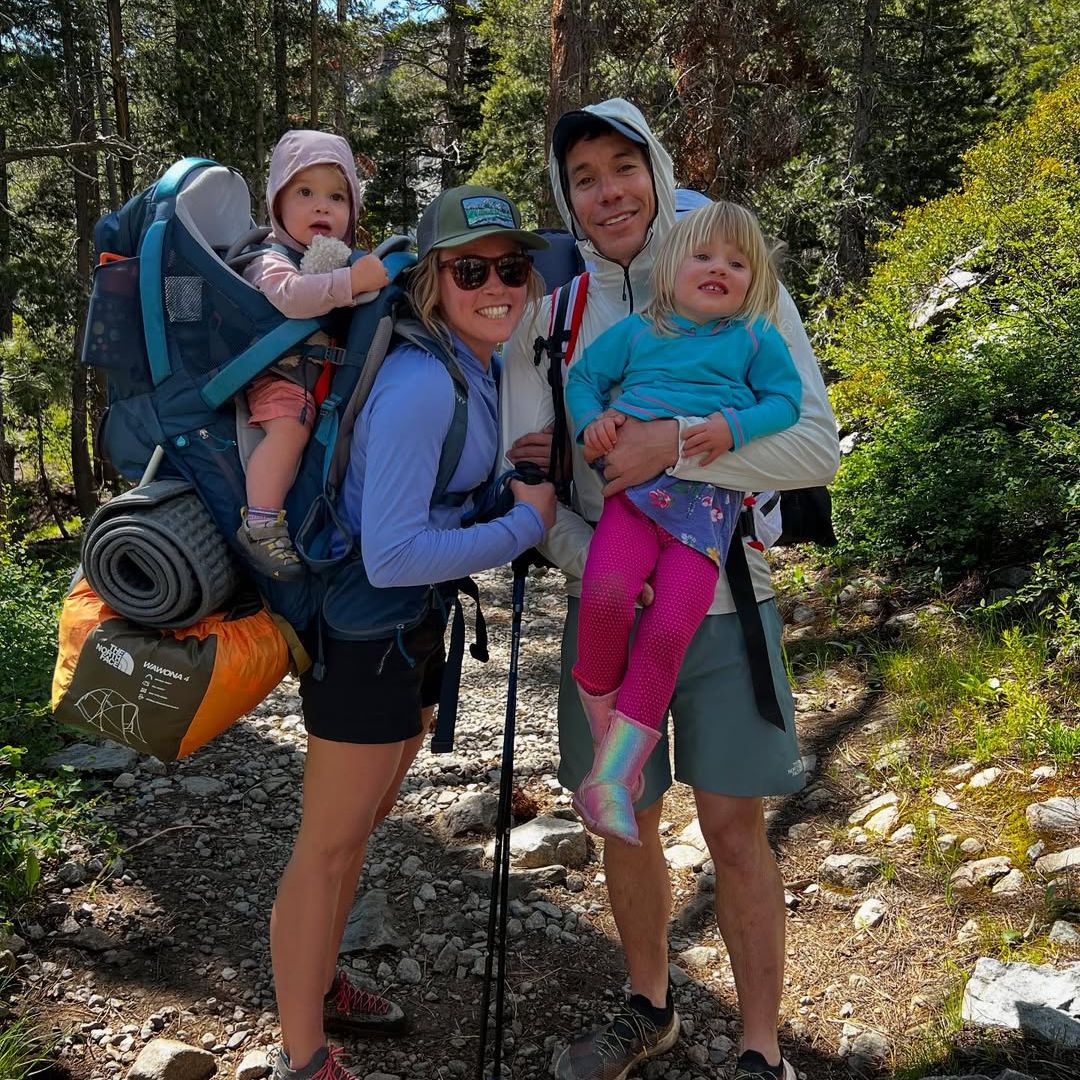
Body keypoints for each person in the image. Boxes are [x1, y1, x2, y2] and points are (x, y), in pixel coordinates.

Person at [500, 99, 840, 1080]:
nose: (609, 192)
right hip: (609, 597)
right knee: (626, 816)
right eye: (585, 179)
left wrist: (672, 447)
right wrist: (592, 557)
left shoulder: (733, 271)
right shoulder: (555, 312)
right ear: (567, 199)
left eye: (623, 167)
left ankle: (761, 1049)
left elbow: (815, 444)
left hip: (730, 593)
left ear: (654, 167)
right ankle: (647, 1006)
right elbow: (542, 484)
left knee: (734, 827)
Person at [270, 184, 556, 1080]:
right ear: (432, 281)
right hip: (366, 633)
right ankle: (302, 1056)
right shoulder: (420, 382)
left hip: (407, 632)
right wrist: (524, 524)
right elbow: (393, 552)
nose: (497, 285)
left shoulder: (469, 364)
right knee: (325, 846)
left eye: (512, 266)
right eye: (470, 269)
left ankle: (318, 987)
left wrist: (504, 487)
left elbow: (429, 503)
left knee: (357, 831)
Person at [565, 200, 801, 847]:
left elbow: (786, 401)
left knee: (667, 633)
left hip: (706, 519)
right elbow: (584, 378)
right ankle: (608, 745)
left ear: (753, 281)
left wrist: (732, 425)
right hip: (635, 500)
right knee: (608, 594)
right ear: (670, 269)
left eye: (737, 262)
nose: (719, 269)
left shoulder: (755, 338)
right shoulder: (640, 332)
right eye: (704, 257)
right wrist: (593, 423)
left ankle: (613, 778)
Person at [239, 129, 390, 580]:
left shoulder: (330, 258)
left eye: (337, 196)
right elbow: (290, 296)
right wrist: (350, 284)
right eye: (304, 192)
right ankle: (261, 524)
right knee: (287, 432)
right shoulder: (270, 257)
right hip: (273, 375)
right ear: (277, 204)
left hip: (311, 378)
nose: (322, 205)